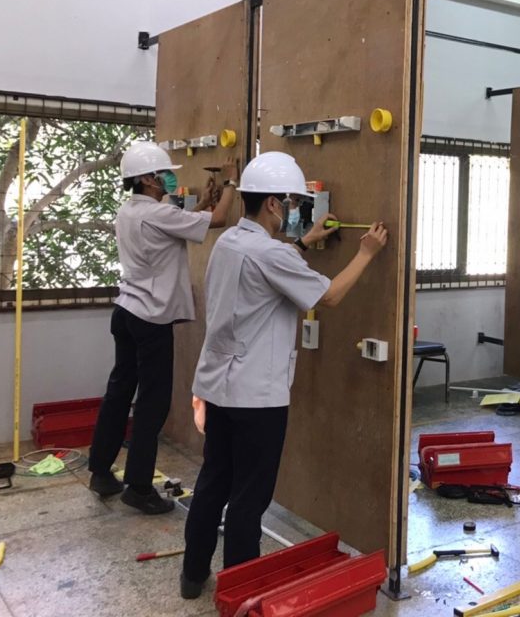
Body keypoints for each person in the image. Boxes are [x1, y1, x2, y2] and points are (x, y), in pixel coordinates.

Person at [180, 151, 388, 600]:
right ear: (274, 204)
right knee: (249, 499)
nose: (293, 210)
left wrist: (307, 240)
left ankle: (192, 577)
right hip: (256, 397)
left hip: (218, 387)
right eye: (291, 202)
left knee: (214, 482)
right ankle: (239, 594)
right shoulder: (269, 253)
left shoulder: (229, 242)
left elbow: (274, 268)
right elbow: (329, 296)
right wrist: (366, 253)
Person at [88, 142, 238, 513]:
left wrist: (203, 203)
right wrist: (231, 183)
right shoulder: (157, 213)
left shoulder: (131, 211)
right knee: (152, 403)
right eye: (163, 174)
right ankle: (139, 487)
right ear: (146, 179)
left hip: (126, 311)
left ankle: (101, 471)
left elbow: (182, 223)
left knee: (119, 392)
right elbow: (219, 220)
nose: (168, 178)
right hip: (150, 319)